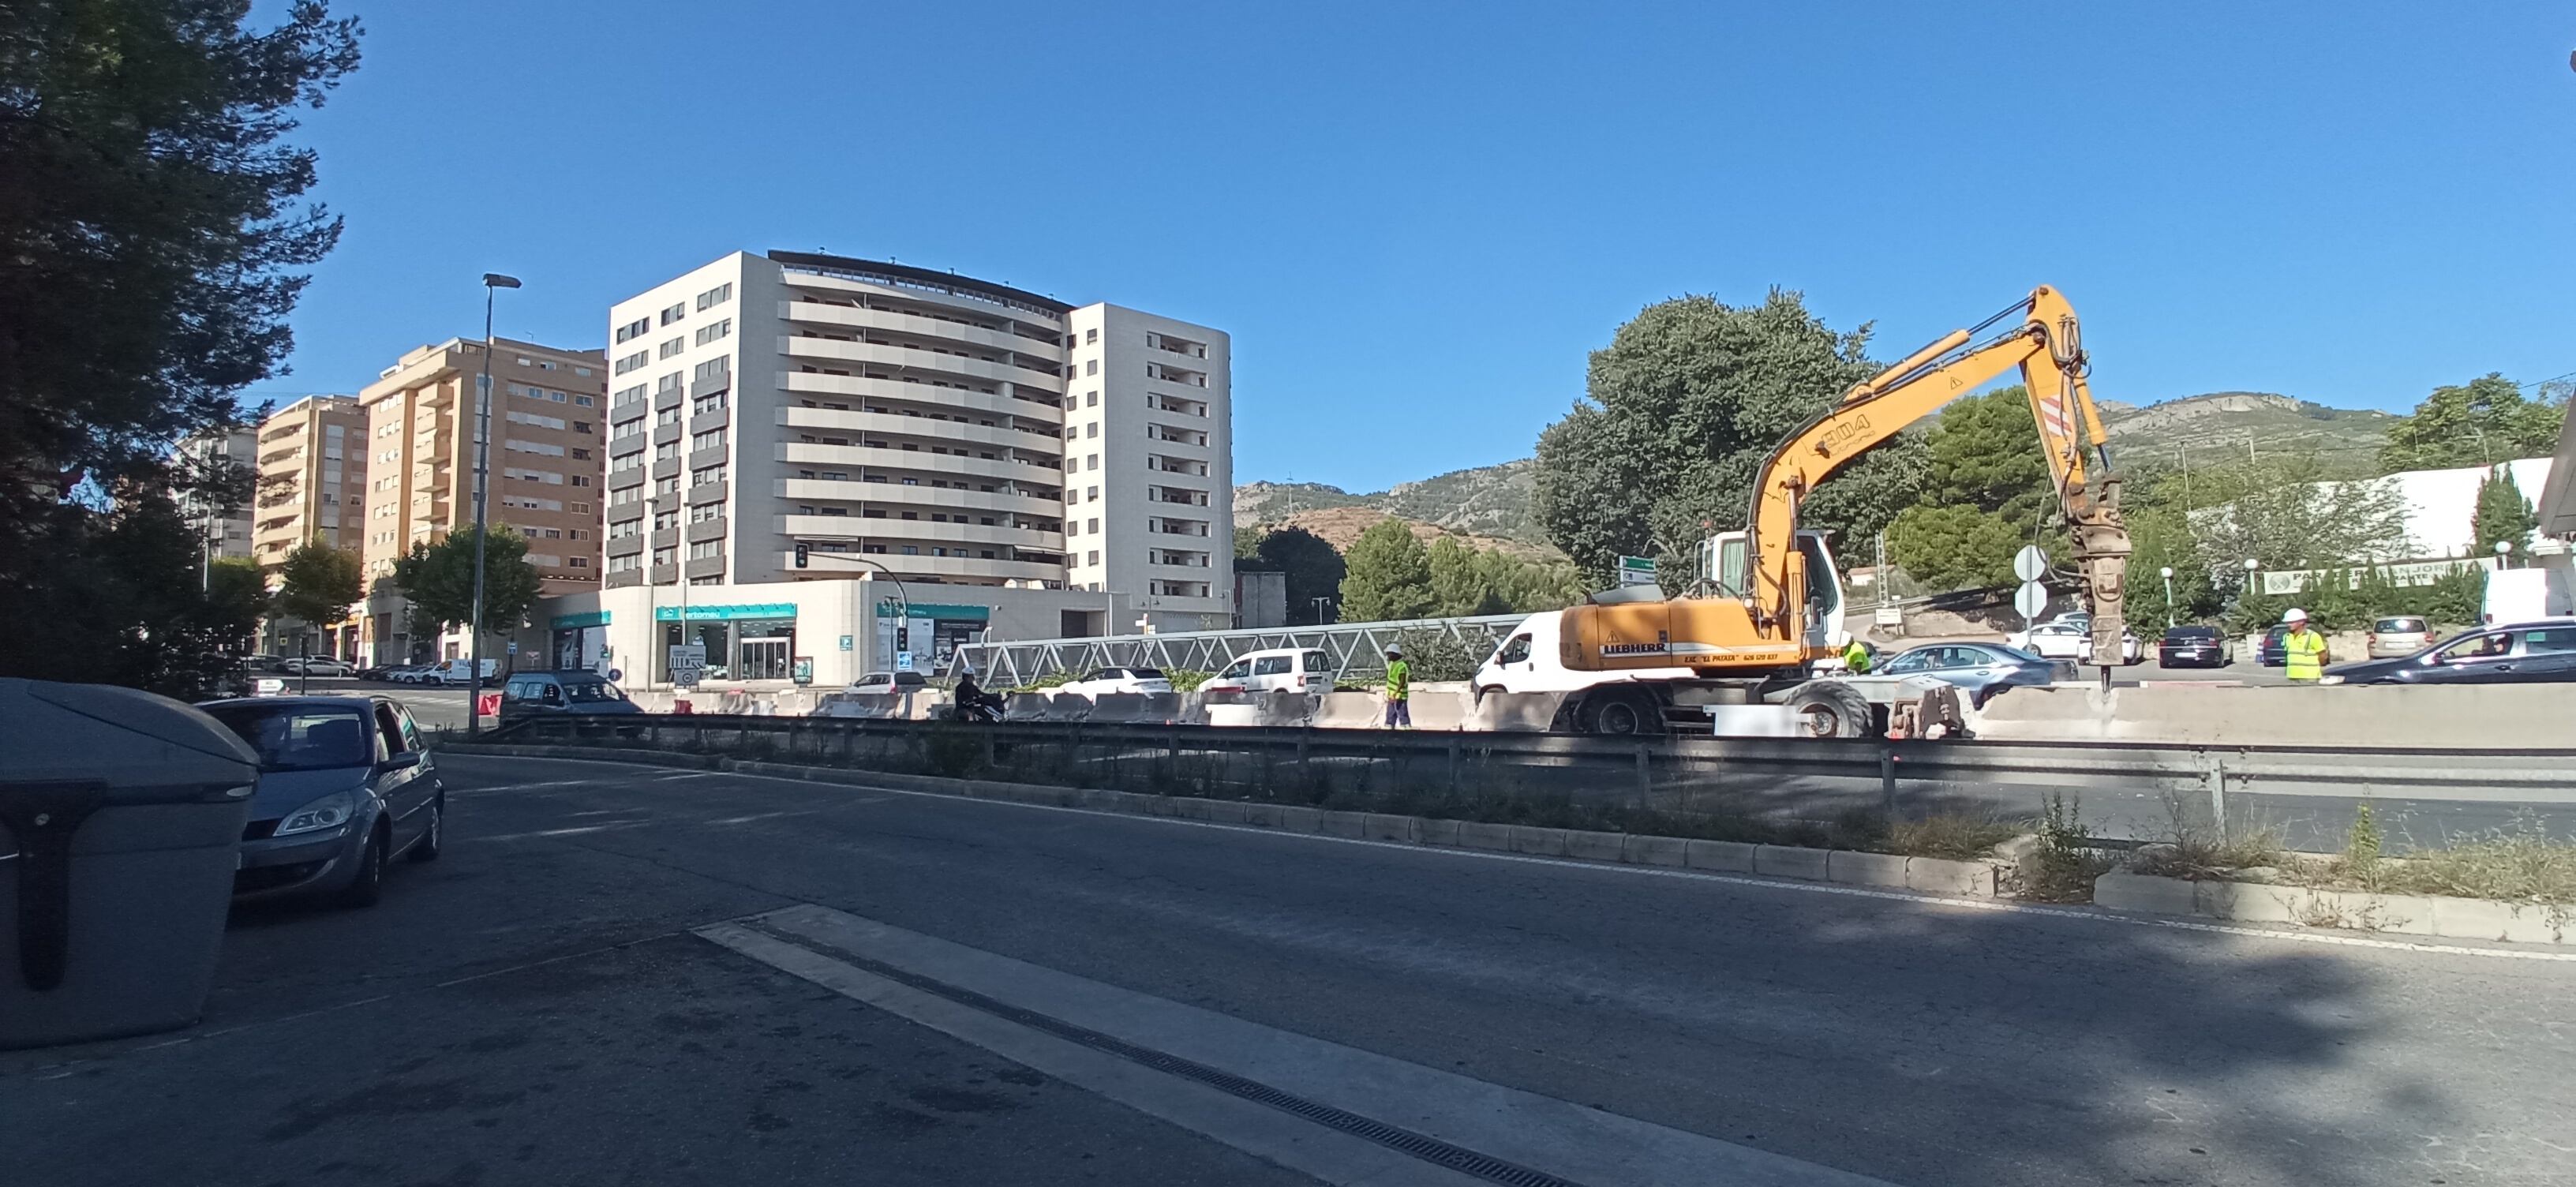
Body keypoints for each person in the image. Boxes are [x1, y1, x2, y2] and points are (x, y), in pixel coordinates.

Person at [2279, 608, 2329, 683]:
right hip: (2292, 677)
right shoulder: (2287, 637)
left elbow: (2323, 656)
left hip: (2310, 678)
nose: (2288, 625)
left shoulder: (2313, 636)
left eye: (2291, 622)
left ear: (2301, 622)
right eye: (2287, 622)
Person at [1382, 646, 1412, 728]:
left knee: (1402, 712)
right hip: (1392, 694)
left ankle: (1405, 727)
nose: (1388, 656)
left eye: (1389, 654)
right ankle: (1389, 726)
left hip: (1400, 695)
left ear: (1395, 654)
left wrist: (1395, 693)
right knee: (1390, 713)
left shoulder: (1401, 666)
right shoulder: (1392, 664)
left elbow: (1402, 682)